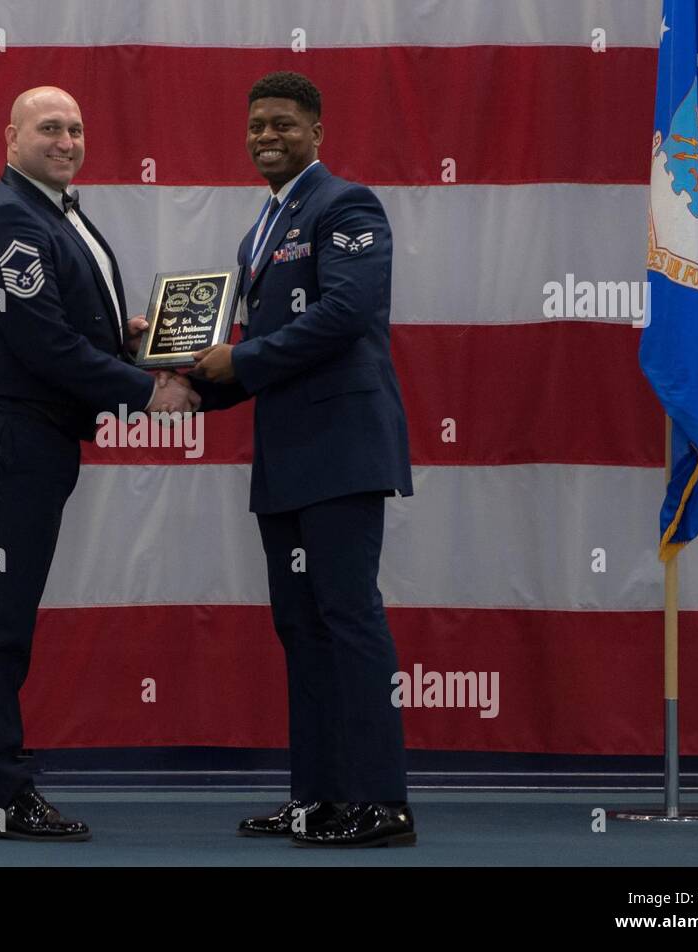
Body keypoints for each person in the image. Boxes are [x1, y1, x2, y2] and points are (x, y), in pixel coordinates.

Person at [0, 86, 197, 841]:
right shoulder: (14, 216)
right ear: (10, 136)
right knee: (0, 621)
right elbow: (41, 344)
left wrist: (128, 337)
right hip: (11, 438)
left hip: (31, 439)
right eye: (49, 127)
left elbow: (66, 326)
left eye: (76, 126)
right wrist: (146, 389)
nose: (67, 139)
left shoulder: (55, 209)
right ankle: (1, 795)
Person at [191, 71, 416, 847]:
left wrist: (236, 365)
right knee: (302, 627)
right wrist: (185, 373)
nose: (266, 137)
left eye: (283, 124)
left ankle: (381, 801)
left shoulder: (345, 204)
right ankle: (317, 798)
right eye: (256, 125)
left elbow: (346, 312)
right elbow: (254, 352)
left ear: (318, 130)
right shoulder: (259, 229)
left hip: (343, 451)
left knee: (349, 620)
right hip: (286, 458)